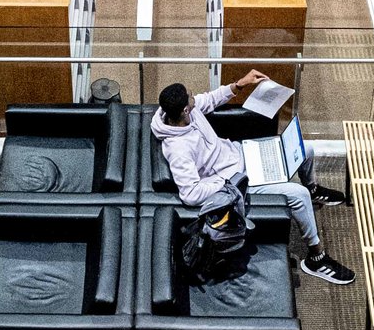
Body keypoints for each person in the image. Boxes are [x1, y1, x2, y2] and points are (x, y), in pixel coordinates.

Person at [150, 73, 355, 284]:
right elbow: (190, 194)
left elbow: (210, 99)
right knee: (298, 194)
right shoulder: (178, 150)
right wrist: (227, 182)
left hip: (243, 153)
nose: (194, 96)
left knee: (305, 148)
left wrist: (238, 85)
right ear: (185, 109)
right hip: (239, 182)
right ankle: (316, 257)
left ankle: (313, 190)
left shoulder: (186, 113)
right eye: (190, 96)